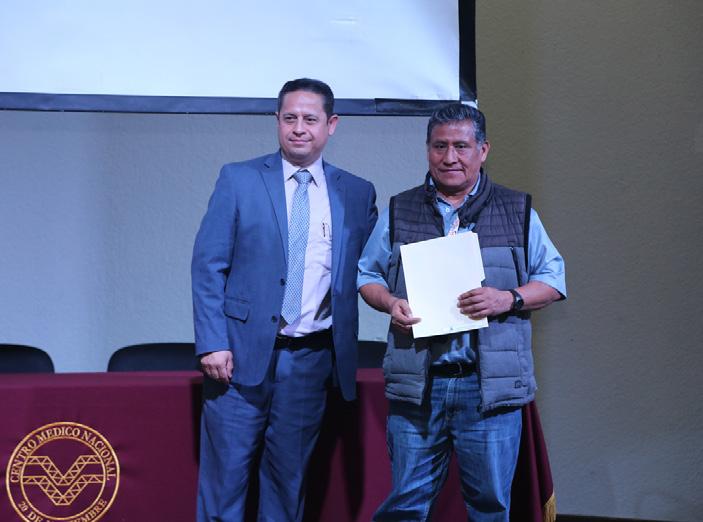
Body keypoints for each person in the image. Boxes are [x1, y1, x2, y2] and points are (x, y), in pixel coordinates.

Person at [358, 103, 566, 521]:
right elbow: (367, 276)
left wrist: (508, 299)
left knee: (490, 508)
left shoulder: (517, 210)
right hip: (419, 386)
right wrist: (390, 303)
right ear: (427, 150)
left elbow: (554, 280)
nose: (449, 157)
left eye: (461, 146)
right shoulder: (400, 209)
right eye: (439, 146)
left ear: (483, 150)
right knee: (405, 506)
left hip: (488, 390)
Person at [192, 78, 377, 522]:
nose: (298, 128)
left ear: (331, 124)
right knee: (224, 484)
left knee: (287, 487)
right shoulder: (239, 179)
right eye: (289, 118)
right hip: (237, 359)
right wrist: (212, 342)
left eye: (310, 119)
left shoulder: (356, 192)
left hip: (311, 361)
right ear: (277, 120)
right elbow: (208, 265)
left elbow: (375, 266)